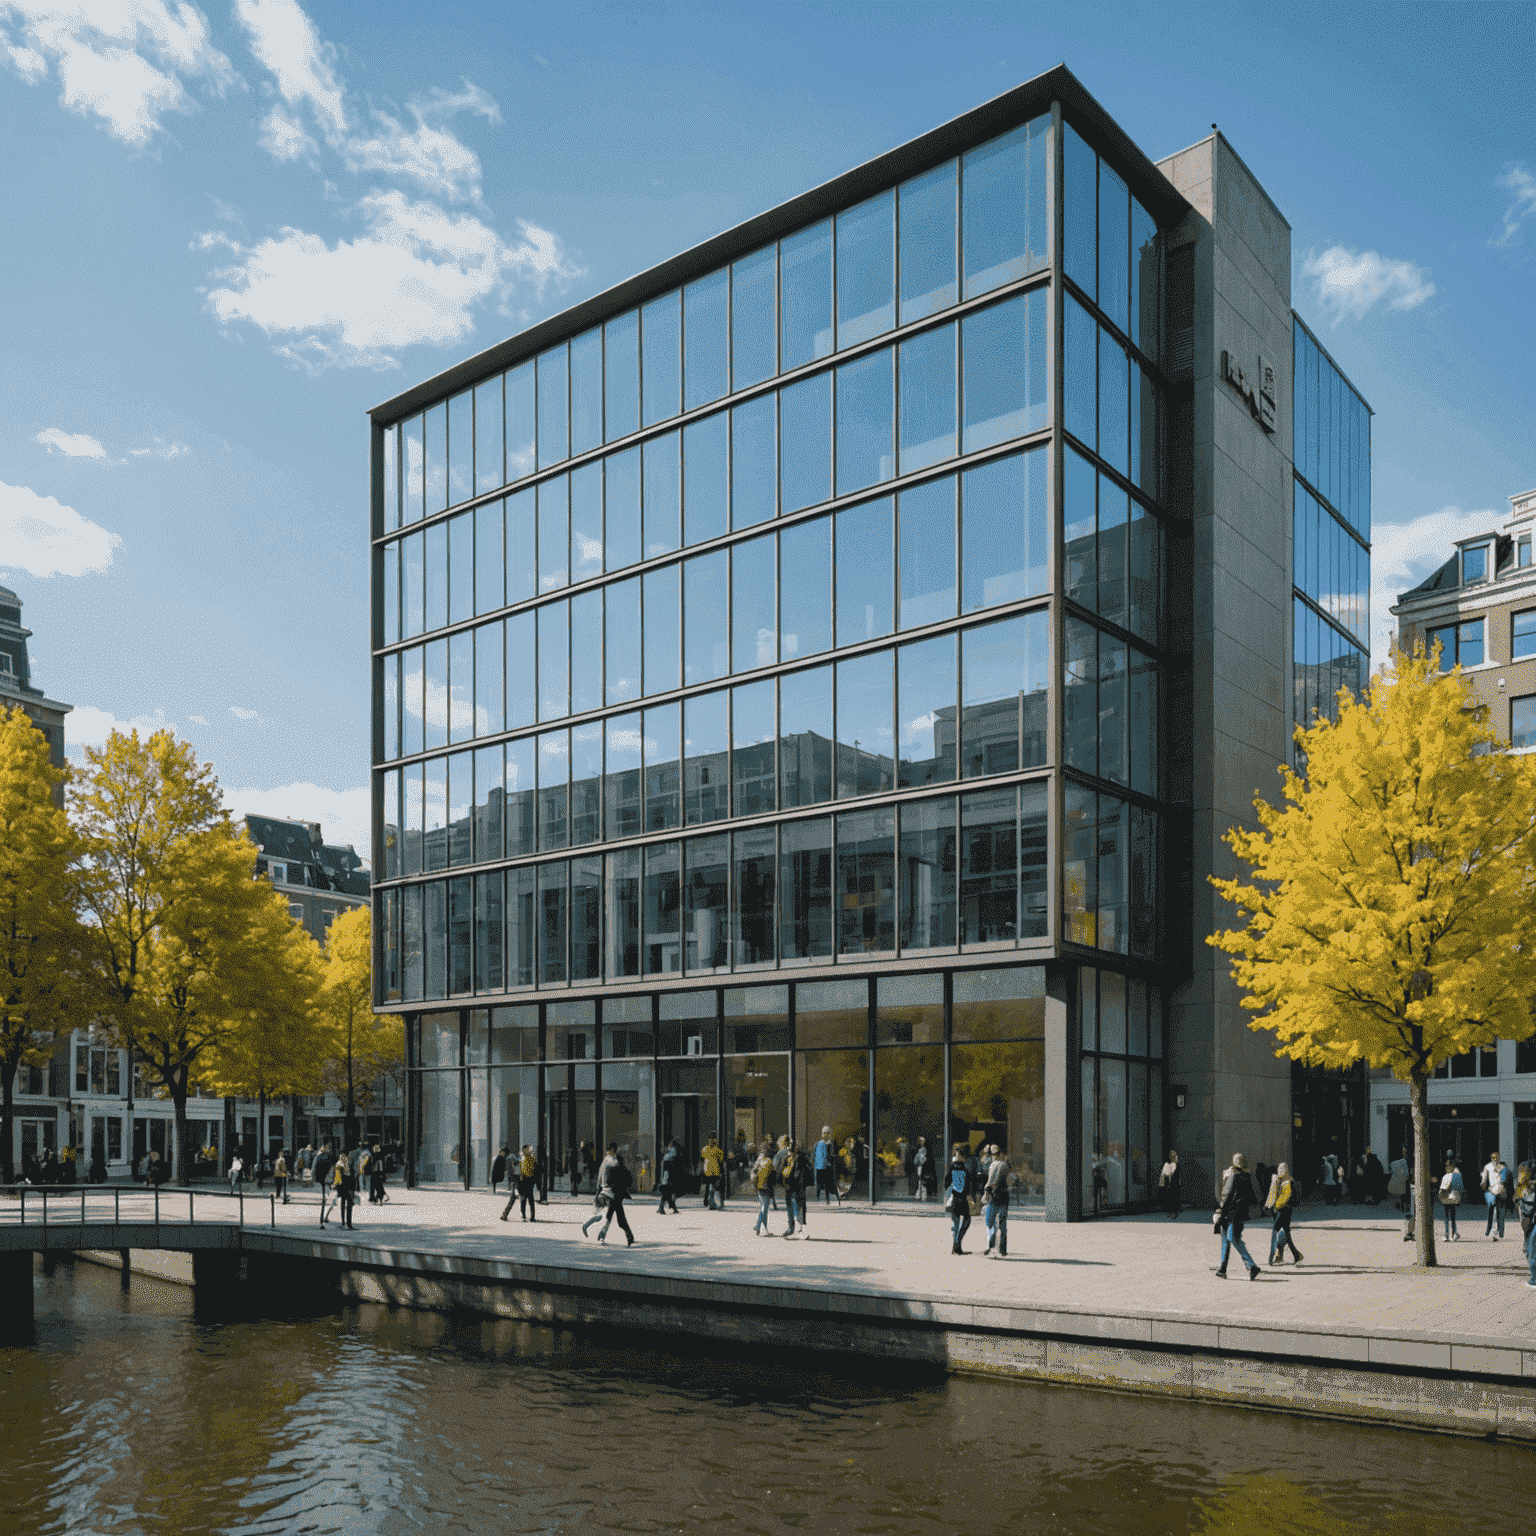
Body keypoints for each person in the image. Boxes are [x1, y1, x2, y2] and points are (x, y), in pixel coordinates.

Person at [1215, 1152, 1261, 1280]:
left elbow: (1226, 1195)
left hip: (1231, 1214)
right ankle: (1222, 1269)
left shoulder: (1233, 1176)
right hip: (1241, 1214)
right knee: (1229, 1238)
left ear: (1234, 1162)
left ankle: (1252, 1266)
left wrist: (1220, 1211)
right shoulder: (1247, 1176)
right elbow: (1252, 1197)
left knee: (1232, 1238)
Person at [593, 1144, 636, 1246]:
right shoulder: (608, 1160)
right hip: (612, 1191)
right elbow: (601, 1175)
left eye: (608, 1149)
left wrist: (600, 1190)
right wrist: (599, 1190)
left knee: (617, 1216)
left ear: (612, 1149)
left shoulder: (616, 1161)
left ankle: (606, 1233)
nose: (607, 1151)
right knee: (615, 1215)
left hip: (615, 1192)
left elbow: (604, 1176)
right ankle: (628, 1236)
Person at [1264, 1161, 1303, 1265]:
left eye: (1282, 1169)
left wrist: (1276, 1206)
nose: (1280, 1171)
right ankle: (1296, 1255)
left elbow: (1286, 1197)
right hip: (1282, 1210)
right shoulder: (1279, 1180)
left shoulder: (1288, 1182)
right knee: (1287, 1234)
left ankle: (1271, 1257)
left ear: (1286, 1170)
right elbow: (1273, 1193)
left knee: (1275, 1232)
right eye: (1279, 1169)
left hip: (1283, 1210)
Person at [582, 1144, 618, 1237]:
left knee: (601, 1214)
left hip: (603, 1190)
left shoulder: (606, 1160)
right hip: (609, 1191)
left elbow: (600, 1175)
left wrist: (598, 1188)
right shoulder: (612, 1161)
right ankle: (603, 1233)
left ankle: (587, 1225)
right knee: (608, 1215)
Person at [776, 1136, 807, 1238]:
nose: (788, 1149)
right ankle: (791, 1228)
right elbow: (780, 1172)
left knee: (798, 1207)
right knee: (791, 1207)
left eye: (790, 1147)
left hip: (796, 1187)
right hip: (789, 1187)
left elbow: (800, 1173)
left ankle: (799, 1230)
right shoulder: (786, 1158)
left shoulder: (799, 1158)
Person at [983, 1150, 1011, 1258]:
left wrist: (986, 1192)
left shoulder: (995, 1164)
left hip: (995, 1195)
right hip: (1004, 1195)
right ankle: (1002, 1249)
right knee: (1002, 1222)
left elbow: (990, 1181)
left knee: (990, 1220)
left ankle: (991, 1247)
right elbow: (1010, 1181)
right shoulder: (1006, 1166)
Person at [946, 1148, 971, 1255]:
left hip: (954, 1198)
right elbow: (969, 1185)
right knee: (967, 1220)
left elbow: (946, 1184)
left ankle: (954, 1246)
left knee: (955, 1223)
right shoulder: (966, 1169)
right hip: (963, 1199)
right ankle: (958, 1243)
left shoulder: (951, 1169)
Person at [1515, 1161, 1536, 1289]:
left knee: (1531, 1250)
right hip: (1528, 1225)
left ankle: (1534, 1280)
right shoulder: (1521, 1187)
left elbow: (1527, 1211)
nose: (1519, 1175)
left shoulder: (1529, 1189)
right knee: (1529, 1249)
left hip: (1531, 1224)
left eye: (1522, 1172)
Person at [751, 1138, 775, 1236]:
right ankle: (762, 1228)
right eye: (764, 1148)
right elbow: (754, 1172)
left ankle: (758, 1226)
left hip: (766, 1187)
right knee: (764, 1208)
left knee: (763, 1208)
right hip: (762, 1187)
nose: (765, 1150)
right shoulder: (764, 1160)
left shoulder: (768, 1160)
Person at [1438, 1155, 1463, 1241]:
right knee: (1453, 1217)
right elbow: (1461, 1188)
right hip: (1455, 1198)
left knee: (1446, 1217)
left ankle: (1446, 1235)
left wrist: (1439, 1197)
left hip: (1446, 1199)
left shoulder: (1446, 1176)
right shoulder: (1458, 1176)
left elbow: (1442, 1189)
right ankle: (1454, 1234)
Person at [313, 1141, 338, 1227]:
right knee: (328, 1200)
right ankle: (323, 1219)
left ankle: (324, 1218)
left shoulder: (321, 1156)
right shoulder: (322, 1156)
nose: (328, 1148)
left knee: (329, 1200)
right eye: (327, 1146)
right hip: (324, 1182)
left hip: (325, 1182)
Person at [1482, 1151, 1506, 1240]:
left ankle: (1495, 1233)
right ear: (1491, 1158)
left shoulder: (1502, 1168)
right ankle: (1489, 1230)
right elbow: (1484, 1180)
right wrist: (1485, 1187)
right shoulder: (1487, 1167)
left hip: (1500, 1192)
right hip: (1491, 1192)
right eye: (1493, 1158)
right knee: (1491, 1212)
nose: (1495, 1159)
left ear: (1499, 1158)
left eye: (1496, 1157)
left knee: (1498, 1213)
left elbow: (1504, 1180)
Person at [814, 1126, 840, 1205]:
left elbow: (834, 1156)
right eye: (824, 1133)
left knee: (828, 1184)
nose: (826, 1135)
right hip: (819, 1167)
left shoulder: (831, 1144)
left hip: (828, 1167)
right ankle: (817, 1198)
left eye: (828, 1133)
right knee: (818, 1184)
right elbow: (814, 1155)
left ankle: (828, 1199)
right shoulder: (818, 1144)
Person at [700, 1134, 726, 1210]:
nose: (712, 1140)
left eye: (713, 1138)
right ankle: (710, 1202)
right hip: (707, 1172)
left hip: (715, 1172)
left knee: (714, 1188)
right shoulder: (705, 1149)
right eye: (710, 1138)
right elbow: (702, 1160)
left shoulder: (718, 1150)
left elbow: (721, 1162)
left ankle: (714, 1203)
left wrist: (721, 1172)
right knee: (708, 1188)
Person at [335, 1151, 358, 1230]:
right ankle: (343, 1223)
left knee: (349, 1206)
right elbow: (337, 1179)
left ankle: (349, 1224)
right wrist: (338, 1191)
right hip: (342, 1188)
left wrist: (355, 1189)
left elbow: (354, 1178)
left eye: (344, 1157)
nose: (342, 1159)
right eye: (341, 1158)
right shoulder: (338, 1167)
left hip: (350, 1189)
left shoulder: (350, 1166)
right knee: (343, 1205)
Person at [656, 1138, 680, 1213]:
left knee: (666, 1193)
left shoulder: (669, 1155)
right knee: (667, 1193)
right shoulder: (674, 1154)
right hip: (671, 1177)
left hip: (668, 1176)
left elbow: (665, 1168)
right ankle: (669, 1208)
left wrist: (663, 1179)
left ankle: (662, 1208)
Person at [1159, 1149, 1182, 1219]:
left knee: (1172, 1198)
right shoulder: (1169, 1165)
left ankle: (1173, 1212)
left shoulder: (1174, 1165)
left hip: (1172, 1184)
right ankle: (1172, 1212)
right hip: (1171, 1184)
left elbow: (1165, 1175)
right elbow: (1164, 1175)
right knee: (1171, 1198)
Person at [913, 1137, 930, 1201]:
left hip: (925, 1166)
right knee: (920, 1180)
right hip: (919, 1166)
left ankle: (922, 1196)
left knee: (923, 1180)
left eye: (923, 1140)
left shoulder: (926, 1149)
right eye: (920, 1140)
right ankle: (920, 1195)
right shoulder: (917, 1149)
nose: (922, 1142)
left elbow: (925, 1158)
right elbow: (916, 1160)